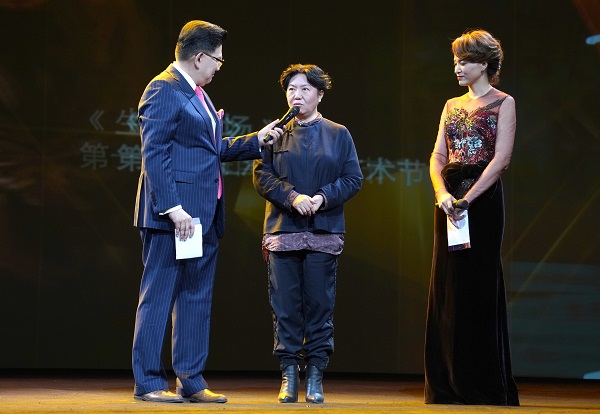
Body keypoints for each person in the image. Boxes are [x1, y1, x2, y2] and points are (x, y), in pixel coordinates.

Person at [132, 20, 283, 403]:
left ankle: (191, 379)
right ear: (199, 57)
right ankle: (149, 382)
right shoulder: (164, 88)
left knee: (195, 297)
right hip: (174, 217)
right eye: (217, 59)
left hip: (201, 215)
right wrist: (172, 208)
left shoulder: (196, 93)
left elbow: (207, 150)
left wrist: (256, 140)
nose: (219, 66)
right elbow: (154, 153)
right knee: (159, 296)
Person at [253, 64, 363, 404]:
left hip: (323, 231)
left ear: (319, 94)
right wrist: (292, 197)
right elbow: (262, 175)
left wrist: (321, 198)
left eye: (304, 89)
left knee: (319, 306)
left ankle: (315, 375)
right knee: (285, 307)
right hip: (283, 232)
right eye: (291, 89)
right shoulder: (274, 133)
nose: (296, 95)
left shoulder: (338, 133)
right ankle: (288, 374)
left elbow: (353, 178)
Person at [424, 29, 519, 406]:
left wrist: (468, 199)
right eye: (455, 61)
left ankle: (481, 383)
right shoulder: (451, 104)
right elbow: (438, 157)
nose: (457, 67)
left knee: (478, 285)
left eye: (464, 61)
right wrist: (443, 195)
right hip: (450, 203)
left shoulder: (503, 102)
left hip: (481, 203)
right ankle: (447, 383)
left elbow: (502, 159)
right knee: (447, 286)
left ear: (484, 63)